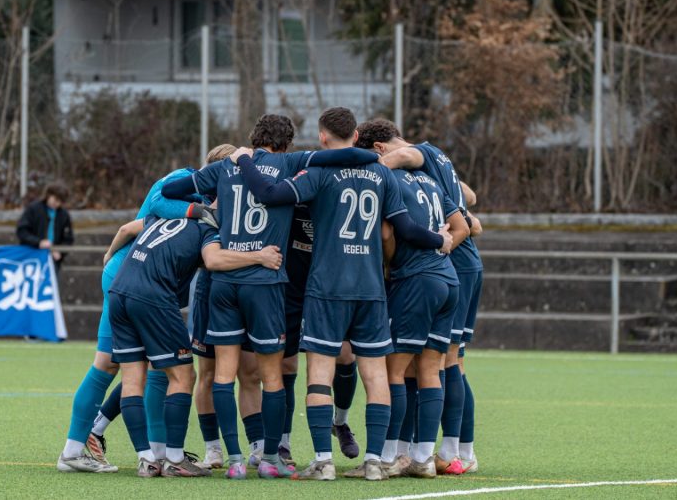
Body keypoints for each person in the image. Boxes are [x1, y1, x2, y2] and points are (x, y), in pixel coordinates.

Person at [233, 107, 453, 481]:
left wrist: (243, 162)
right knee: (376, 375)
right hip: (370, 288)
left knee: (319, 371)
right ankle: (373, 461)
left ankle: (323, 460)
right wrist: (439, 240)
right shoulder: (382, 173)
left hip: (327, 286)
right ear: (355, 135)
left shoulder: (317, 173)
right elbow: (399, 227)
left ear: (322, 138)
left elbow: (270, 195)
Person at [161, 114, 378, 479]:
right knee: (273, 376)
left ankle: (233, 461)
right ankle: (271, 459)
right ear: (287, 142)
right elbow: (352, 158)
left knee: (223, 376)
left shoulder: (224, 169)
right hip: (266, 283)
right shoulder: (290, 162)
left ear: (253, 137)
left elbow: (171, 191)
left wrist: (208, 200)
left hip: (225, 284)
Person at [55, 146, 231, 474]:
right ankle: (79, 446)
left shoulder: (201, 201)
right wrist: (202, 213)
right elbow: (158, 203)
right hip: (137, 276)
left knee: (153, 369)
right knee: (111, 365)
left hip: (136, 276)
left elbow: (132, 226)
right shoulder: (184, 181)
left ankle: (154, 453)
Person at [106, 213, 283, 478]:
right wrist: (260, 256)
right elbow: (213, 260)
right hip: (153, 295)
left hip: (119, 290)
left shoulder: (165, 215)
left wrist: (108, 256)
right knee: (184, 375)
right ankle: (175, 459)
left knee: (132, 379)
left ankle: (146, 458)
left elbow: (125, 228)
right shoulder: (208, 229)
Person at [355, 119, 470, 478]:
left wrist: (390, 264)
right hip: (448, 279)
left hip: (415, 280)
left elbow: (389, 230)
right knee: (430, 369)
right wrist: (445, 243)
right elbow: (465, 224)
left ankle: (389, 456)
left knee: (395, 369)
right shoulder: (432, 178)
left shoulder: (387, 176)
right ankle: (422, 459)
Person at [380, 137, 484, 475]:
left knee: (432, 363)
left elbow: (388, 233)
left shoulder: (414, 156)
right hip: (451, 272)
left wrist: (439, 242)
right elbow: (470, 203)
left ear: (381, 147)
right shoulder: (435, 168)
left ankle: (441, 452)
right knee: (433, 364)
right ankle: (428, 453)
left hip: (434, 270)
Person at [17, 182, 74, 267]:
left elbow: (68, 239)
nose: (57, 203)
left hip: (52, 260)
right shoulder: (33, 209)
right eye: (55, 199)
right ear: (48, 195)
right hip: (31, 256)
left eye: (60, 201)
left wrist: (60, 252)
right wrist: (38, 242)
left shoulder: (64, 215)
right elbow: (22, 231)